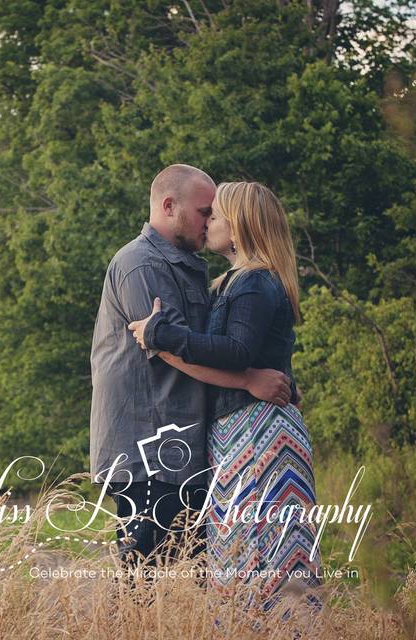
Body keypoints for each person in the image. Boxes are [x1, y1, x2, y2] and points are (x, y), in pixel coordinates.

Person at [89, 166, 294, 574]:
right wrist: (249, 380)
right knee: (145, 582)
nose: (209, 221)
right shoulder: (140, 265)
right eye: (205, 212)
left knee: (195, 579)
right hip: (149, 450)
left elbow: (211, 345)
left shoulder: (195, 267)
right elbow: (170, 351)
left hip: (185, 451)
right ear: (169, 206)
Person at [128, 180, 321, 609]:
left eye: (215, 215)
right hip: (244, 430)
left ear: (238, 228)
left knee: (263, 554)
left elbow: (237, 352)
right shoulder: (235, 281)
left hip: (258, 434)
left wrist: (161, 332)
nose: (208, 222)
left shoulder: (252, 282)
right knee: (247, 553)